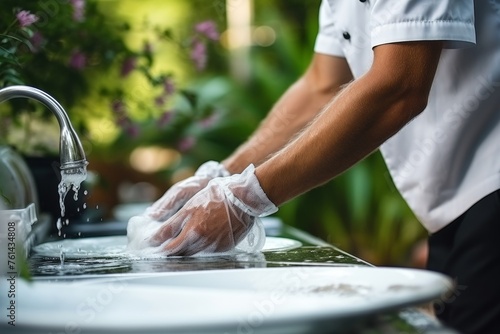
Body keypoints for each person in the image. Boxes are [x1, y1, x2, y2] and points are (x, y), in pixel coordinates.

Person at [142, 1, 500, 333]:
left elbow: (400, 85)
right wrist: (220, 176)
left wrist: (245, 198)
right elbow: (322, 85)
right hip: (456, 203)